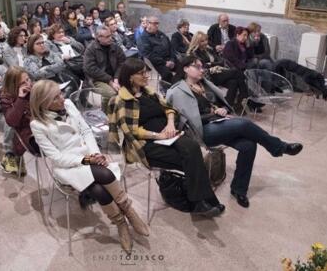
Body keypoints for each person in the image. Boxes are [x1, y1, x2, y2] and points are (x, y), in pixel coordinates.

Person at [166, 55, 303, 207]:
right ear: (185, 69)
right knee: (244, 124)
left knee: (249, 145)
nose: (201, 69)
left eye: (202, 66)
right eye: (197, 67)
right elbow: (180, 116)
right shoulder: (177, 91)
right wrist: (212, 114)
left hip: (218, 123)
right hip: (201, 131)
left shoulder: (205, 84)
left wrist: (221, 109)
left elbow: (217, 104)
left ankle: (239, 190)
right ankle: (279, 147)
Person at [30, 80, 149, 253]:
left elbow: (86, 131)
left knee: (100, 186)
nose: (62, 98)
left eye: (60, 94)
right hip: (67, 167)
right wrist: (86, 160)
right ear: (44, 103)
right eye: (56, 97)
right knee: (105, 178)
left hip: (89, 156)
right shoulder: (37, 125)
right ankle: (123, 220)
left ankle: (126, 216)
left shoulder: (69, 104)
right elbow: (56, 158)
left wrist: (95, 154)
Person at [108, 58, 225, 216]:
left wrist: (170, 124)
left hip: (169, 134)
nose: (146, 76)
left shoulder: (149, 93)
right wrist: (159, 135)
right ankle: (205, 201)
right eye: (141, 73)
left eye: (146, 72)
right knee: (192, 155)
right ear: (130, 77)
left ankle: (199, 202)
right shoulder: (122, 100)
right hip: (146, 144)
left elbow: (169, 109)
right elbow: (132, 131)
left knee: (192, 150)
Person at [187, 31, 248, 112]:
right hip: (208, 76)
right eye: (202, 41)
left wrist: (211, 64)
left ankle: (227, 107)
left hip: (218, 72)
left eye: (206, 40)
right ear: (197, 42)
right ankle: (245, 97)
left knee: (234, 82)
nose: (205, 42)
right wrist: (213, 65)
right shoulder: (194, 53)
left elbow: (221, 61)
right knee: (237, 72)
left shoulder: (209, 49)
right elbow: (203, 67)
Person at [0, 66, 34, 175]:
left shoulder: (33, 87)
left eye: (28, 79)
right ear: (13, 85)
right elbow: (12, 121)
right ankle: (11, 153)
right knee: (9, 125)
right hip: (24, 129)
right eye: (23, 83)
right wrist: (21, 98)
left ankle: (12, 154)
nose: (28, 84)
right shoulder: (5, 95)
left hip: (37, 122)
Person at [83, 25, 126, 109]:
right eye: (107, 37)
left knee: (131, 87)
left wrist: (116, 78)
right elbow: (91, 69)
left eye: (110, 35)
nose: (110, 38)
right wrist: (110, 81)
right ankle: (106, 114)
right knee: (111, 93)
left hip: (115, 76)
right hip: (97, 79)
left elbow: (122, 63)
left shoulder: (115, 47)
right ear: (99, 37)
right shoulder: (91, 49)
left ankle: (123, 111)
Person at [138, 16, 176, 83]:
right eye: (155, 23)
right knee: (167, 75)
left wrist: (172, 59)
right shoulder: (143, 38)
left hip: (169, 59)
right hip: (157, 63)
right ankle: (169, 90)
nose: (157, 25)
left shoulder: (161, 34)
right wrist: (165, 63)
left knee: (183, 68)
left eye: (158, 23)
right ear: (148, 24)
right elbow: (149, 55)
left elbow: (171, 47)